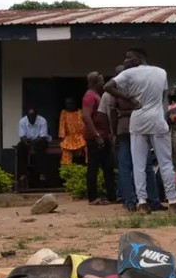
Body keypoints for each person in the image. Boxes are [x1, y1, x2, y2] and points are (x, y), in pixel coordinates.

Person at [104, 48, 176, 214]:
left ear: (139, 57)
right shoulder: (161, 72)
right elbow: (162, 97)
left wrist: (129, 99)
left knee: (139, 163)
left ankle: (142, 203)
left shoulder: (128, 74)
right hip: (157, 119)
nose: (126, 61)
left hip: (138, 120)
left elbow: (108, 86)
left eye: (129, 57)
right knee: (165, 162)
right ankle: (172, 202)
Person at [110, 64, 161, 212]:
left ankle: (130, 201)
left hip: (124, 128)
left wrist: (114, 132)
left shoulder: (117, 90)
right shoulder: (139, 85)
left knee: (125, 166)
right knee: (145, 165)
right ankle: (153, 200)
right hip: (141, 125)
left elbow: (113, 112)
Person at [83, 72, 117, 205]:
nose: (103, 83)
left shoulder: (97, 95)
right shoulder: (89, 97)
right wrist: (96, 135)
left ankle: (112, 196)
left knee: (108, 167)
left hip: (104, 136)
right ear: (94, 82)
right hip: (95, 138)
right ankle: (92, 197)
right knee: (94, 167)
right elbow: (86, 116)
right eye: (101, 80)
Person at [18, 108, 52, 186]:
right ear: (27, 116)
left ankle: (42, 174)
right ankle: (22, 174)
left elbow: (43, 136)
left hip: (40, 140)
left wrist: (33, 143)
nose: (31, 118)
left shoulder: (42, 120)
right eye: (29, 116)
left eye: (33, 116)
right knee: (20, 147)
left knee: (40, 148)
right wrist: (25, 142)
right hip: (29, 140)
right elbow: (22, 136)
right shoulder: (22, 121)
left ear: (36, 116)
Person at [58, 97, 86, 165]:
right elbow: (62, 127)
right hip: (68, 138)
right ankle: (67, 170)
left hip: (81, 137)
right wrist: (62, 138)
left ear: (74, 104)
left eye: (70, 103)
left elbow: (84, 126)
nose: (68, 105)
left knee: (86, 149)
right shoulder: (64, 113)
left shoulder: (80, 112)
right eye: (67, 104)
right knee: (66, 151)